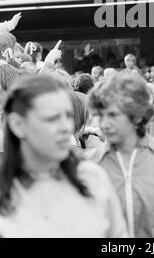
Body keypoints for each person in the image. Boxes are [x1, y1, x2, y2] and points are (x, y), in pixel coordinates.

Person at [0, 74, 127, 237]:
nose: (66, 127)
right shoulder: (6, 187)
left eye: (68, 116)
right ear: (18, 125)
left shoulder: (91, 178)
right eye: (52, 118)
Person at [87, 72, 154, 238]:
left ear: (136, 116)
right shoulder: (89, 165)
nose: (104, 124)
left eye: (112, 115)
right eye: (100, 115)